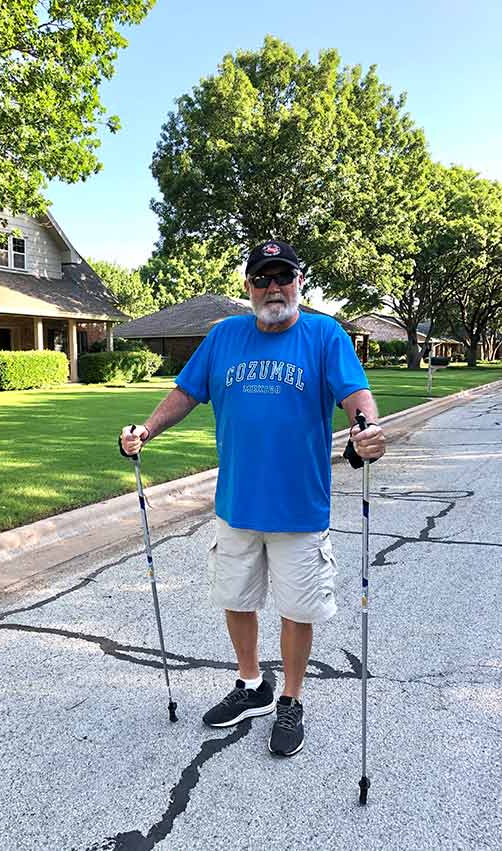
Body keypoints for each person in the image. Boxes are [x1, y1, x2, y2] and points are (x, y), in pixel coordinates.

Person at [120, 239, 385, 757]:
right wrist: (147, 429)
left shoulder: (324, 335)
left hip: (299, 507)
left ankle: (289, 697)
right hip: (236, 504)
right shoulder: (224, 338)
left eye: (282, 277)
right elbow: (185, 392)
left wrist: (366, 428)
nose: (272, 288)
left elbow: (356, 394)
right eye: (262, 279)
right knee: (236, 599)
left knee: (296, 608)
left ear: (299, 283)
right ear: (248, 287)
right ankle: (251, 686)